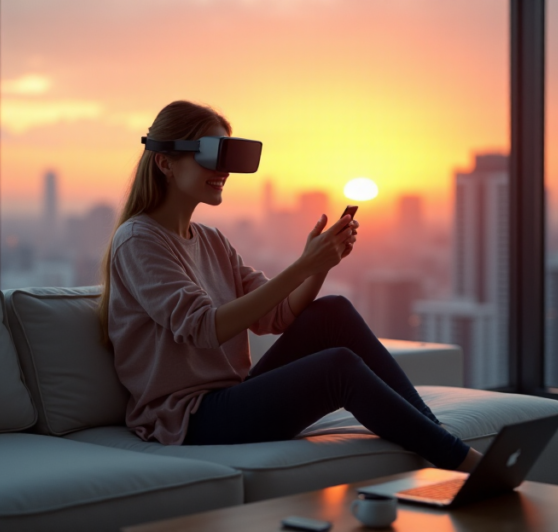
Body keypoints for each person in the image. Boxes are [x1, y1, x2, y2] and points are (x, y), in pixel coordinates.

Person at [98, 100, 482, 472]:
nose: (225, 170)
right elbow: (204, 328)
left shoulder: (211, 240)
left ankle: (436, 434)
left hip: (230, 397)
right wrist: (302, 265)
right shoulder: (138, 240)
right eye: (213, 154)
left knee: (333, 311)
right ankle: (460, 461)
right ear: (165, 162)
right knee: (338, 369)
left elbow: (276, 317)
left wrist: (320, 265)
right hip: (187, 419)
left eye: (230, 156)